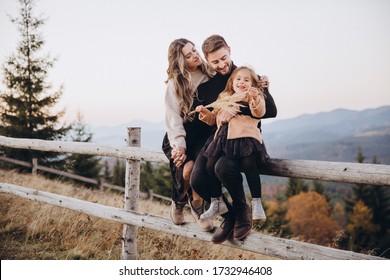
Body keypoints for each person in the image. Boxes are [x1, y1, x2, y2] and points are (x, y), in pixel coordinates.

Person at [190, 35, 277, 243]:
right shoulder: (207, 86)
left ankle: (242, 216)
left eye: (224, 58)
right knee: (198, 179)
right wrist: (179, 148)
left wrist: (237, 109)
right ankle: (230, 216)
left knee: (222, 168)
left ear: (230, 50)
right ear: (207, 60)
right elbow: (201, 121)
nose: (221, 64)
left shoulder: (246, 77)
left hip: (243, 138)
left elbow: (271, 111)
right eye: (215, 61)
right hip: (218, 138)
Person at [195, 66, 268, 226]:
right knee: (210, 165)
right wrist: (204, 113)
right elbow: (214, 119)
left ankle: (256, 202)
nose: (242, 82)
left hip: (245, 136)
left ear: (253, 84)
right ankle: (216, 202)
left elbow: (260, 112)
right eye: (238, 79)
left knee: (249, 163)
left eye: (246, 80)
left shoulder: (252, 96)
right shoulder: (224, 97)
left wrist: (255, 99)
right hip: (223, 139)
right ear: (232, 82)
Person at [162, 38, 215, 232]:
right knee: (185, 170)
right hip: (181, 136)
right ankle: (179, 201)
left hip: (204, 136)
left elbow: (236, 76)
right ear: (180, 60)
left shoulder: (210, 74)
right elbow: (173, 118)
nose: (195, 55)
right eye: (189, 55)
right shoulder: (175, 85)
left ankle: (198, 209)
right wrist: (179, 146)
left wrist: (260, 78)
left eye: (194, 51)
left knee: (195, 169)